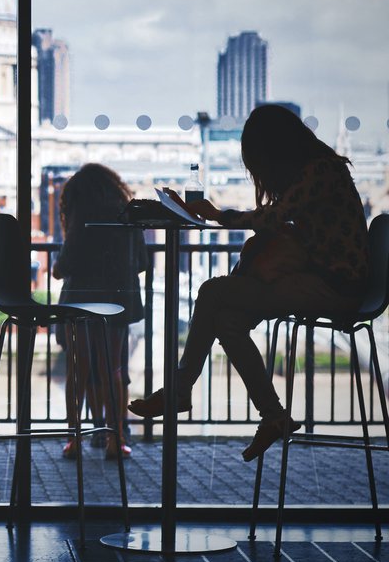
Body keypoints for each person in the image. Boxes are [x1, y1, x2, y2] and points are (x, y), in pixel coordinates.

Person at [130, 104, 369, 461]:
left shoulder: (320, 171)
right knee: (226, 320)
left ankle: (180, 392)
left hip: (332, 288)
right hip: (325, 283)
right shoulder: (322, 170)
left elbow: (272, 218)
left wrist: (216, 215)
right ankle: (273, 416)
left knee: (211, 292)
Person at [52, 163, 147, 460]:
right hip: (118, 300)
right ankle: (115, 440)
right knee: (114, 369)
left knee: (78, 370)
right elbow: (142, 261)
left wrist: (59, 268)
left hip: (81, 299)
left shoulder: (82, 213)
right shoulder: (126, 210)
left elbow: (64, 264)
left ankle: (74, 440)